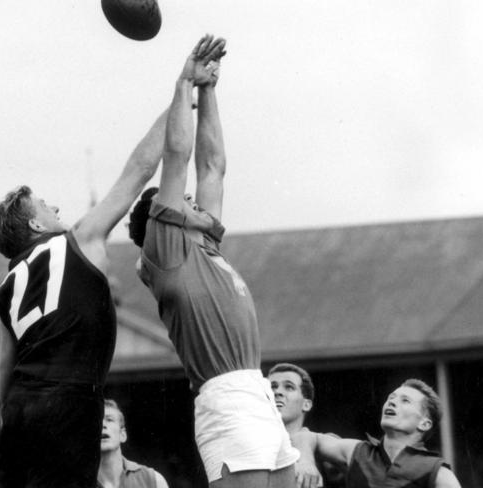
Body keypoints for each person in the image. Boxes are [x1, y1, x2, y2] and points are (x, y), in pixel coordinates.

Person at [128, 35, 308, 488]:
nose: (192, 199)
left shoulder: (204, 243)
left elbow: (213, 166)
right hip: (226, 399)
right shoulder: (166, 250)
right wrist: (184, 83)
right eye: (182, 199)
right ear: (161, 220)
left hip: (256, 393)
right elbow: (179, 156)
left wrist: (209, 90)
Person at [0, 103, 169, 487]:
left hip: (21, 406)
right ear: (37, 224)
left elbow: (2, 377)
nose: (54, 206)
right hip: (68, 401)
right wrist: (178, 98)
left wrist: (17, 423)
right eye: (44, 206)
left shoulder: (7, 287)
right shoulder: (77, 242)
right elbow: (138, 171)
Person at [295, 378, 462, 488]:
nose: (393, 402)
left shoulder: (438, 473)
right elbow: (306, 436)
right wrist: (305, 461)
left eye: (405, 401)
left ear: (424, 424)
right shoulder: (357, 451)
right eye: (391, 398)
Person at [268, 364, 343, 488]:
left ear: (306, 405)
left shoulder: (325, 444)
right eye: (272, 387)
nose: (277, 392)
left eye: (289, 387)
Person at [98, 399, 169, 488]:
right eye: (96, 421)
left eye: (109, 419)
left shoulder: (153, 480)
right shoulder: (77, 482)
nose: (102, 425)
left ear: (122, 435)